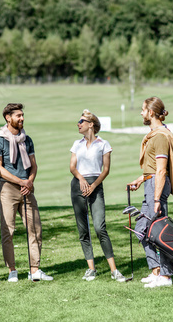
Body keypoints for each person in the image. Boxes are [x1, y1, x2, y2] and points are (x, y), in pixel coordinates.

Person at [0, 103, 53, 282]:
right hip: (8, 190)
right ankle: (12, 271)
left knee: (35, 229)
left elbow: (33, 165)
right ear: (8, 118)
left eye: (23, 115)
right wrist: (21, 181)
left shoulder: (27, 139)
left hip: (27, 189)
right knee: (8, 231)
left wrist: (30, 182)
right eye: (18, 116)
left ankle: (34, 270)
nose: (22, 118)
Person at [127, 96, 173, 288]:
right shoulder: (156, 134)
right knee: (142, 228)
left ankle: (166, 276)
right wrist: (141, 179)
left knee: (159, 231)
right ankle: (156, 270)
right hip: (150, 183)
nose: (141, 113)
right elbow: (152, 169)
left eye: (143, 110)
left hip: (156, 186)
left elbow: (160, 169)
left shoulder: (159, 136)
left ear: (151, 113)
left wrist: (156, 198)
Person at [69, 109, 126, 282]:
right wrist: (81, 180)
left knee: (100, 227)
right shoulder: (76, 144)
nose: (78, 124)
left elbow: (106, 169)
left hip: (96, 185)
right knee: (83, 229)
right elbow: (72, 167)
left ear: (90, 124)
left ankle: (114, 270)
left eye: (81, 122)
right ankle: (91, 269)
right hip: (78, 185)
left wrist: (93, 185)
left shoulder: (103, 144)